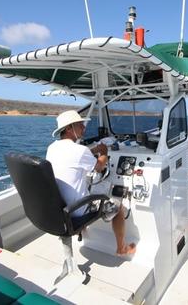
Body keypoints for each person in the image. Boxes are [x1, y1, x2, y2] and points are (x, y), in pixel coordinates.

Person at [46, 110, 136, 256]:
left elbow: (77, 156)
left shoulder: (52, 148)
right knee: (119, 207)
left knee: (86, 187)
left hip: (60, 209)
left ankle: (81, 230)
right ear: (69, 128)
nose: (84, 127)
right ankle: (121, 249)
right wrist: (104, 153)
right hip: (78, 210)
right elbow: (99, 166)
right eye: (80, 124)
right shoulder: (80, 151)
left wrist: (94, 150)